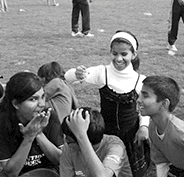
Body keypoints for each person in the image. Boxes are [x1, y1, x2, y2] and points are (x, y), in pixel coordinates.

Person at [64, 30, 150, 177]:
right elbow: (68, 76)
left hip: (131, 134)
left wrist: (143, 127)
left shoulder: (140, 80)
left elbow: (145, 107)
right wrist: (77, 73)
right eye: (114, 53)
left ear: (133, 55)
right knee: (104, 168)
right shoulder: (102, 72)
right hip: (105, 133)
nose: (118, 58)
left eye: (124, 54)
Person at [0, 72, 59, 177]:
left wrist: (39, 133)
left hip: (49, 170)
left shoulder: (50, 116)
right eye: (33, 99)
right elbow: (11, 172)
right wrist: (29, 137)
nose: (42, 104)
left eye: (43, 96)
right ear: (16, 104)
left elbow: (60, 160)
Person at [58, 107, 131, 177]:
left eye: (69, 141)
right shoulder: (68, 149)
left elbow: (103, 176)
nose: (66, 142)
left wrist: (82, 136)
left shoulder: (115, 146)